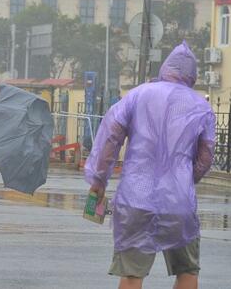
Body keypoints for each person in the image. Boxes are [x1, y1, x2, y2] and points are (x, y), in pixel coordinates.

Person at [85, 42, 215, 289]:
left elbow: (110, 139)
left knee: (133, 275)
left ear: (165, 68)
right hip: (179, 202)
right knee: (187, 271)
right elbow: (206, 157)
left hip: (136, 198)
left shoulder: (137, 95)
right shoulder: (202, 108)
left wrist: (99, 180)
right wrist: (188, 178)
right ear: (193, 75)